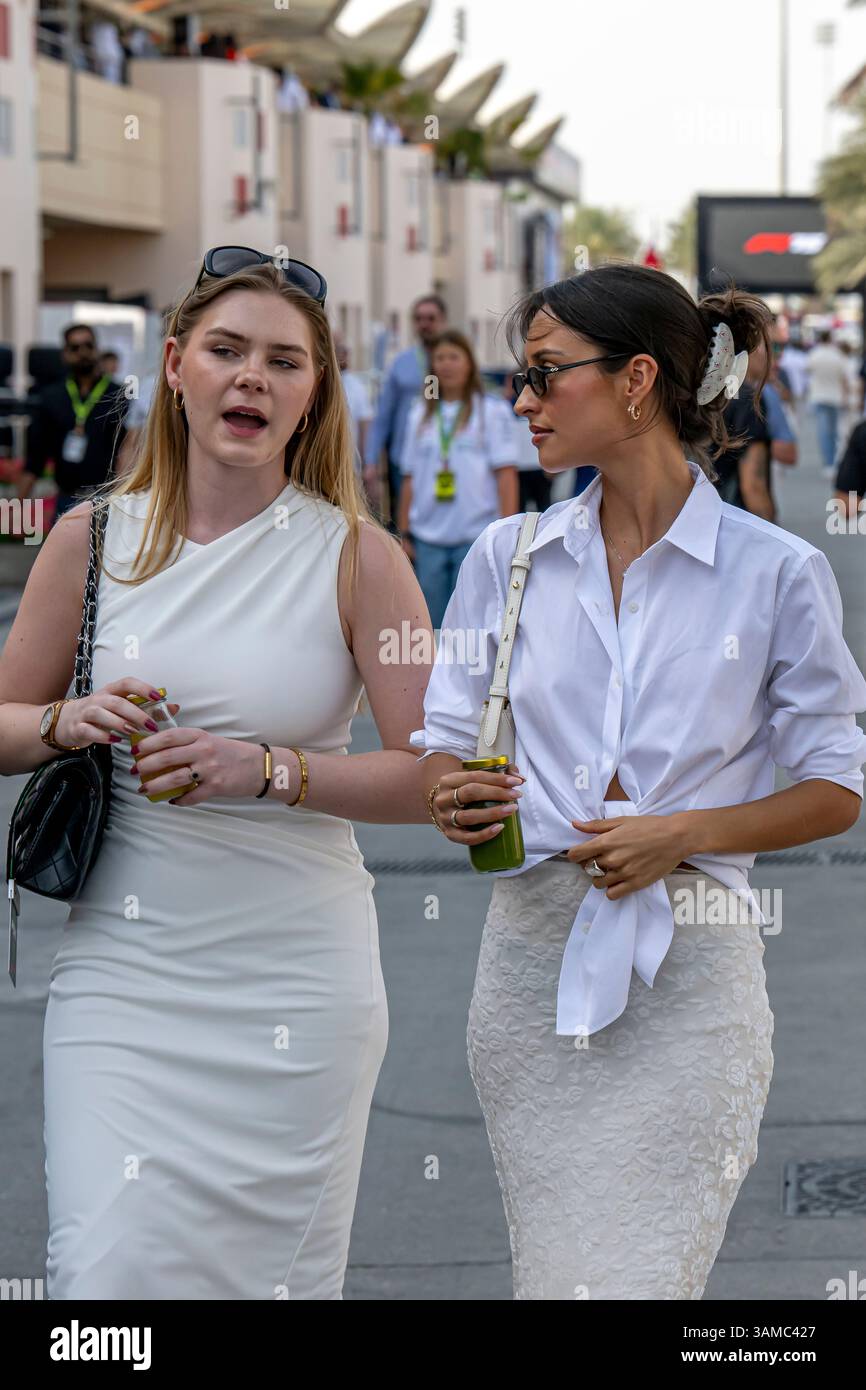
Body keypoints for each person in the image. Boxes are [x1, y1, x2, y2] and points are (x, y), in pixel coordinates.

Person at [409, 263, 866, 1300]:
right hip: (528, 976)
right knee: (557, 1271)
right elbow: (442, 734)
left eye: (541, 373)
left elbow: (835, 785)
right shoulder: (504, 554)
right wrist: (450, 789)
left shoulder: (775, 572)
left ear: (635, 381)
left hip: (693, 983)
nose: (519, 401)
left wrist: (680, 831)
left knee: (636, 1278)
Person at [0, 249, 437, 1299]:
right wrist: (68, 719)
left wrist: (270, 769)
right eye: (227, 350)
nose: (252, 377)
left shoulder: (359, 557)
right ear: (177, 366)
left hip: (297, 977)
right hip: (126, 974)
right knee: (102, 1277)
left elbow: (435, 775)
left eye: (284, 361)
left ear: (313, 394)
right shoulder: (88, 537)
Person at [397, 330, 519, 628]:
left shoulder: (490, 411)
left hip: (476, 536)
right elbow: (409, 476)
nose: (447, 365)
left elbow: (506, 476)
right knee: (434, 627)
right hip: (429, 539)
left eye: (454, 357)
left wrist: (510, 532)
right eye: (440, 358)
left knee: (474, 627)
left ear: (468, 364)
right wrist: (404, 533)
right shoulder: (420, 415)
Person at [18, 323, 128, 522]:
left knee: (103, 554)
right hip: (66, 498)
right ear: (65, 354)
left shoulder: (118, 396)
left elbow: (128, 453)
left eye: (88, 345)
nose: (83, 352)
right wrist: (17, 508)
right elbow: (35, 457)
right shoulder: (51, 397)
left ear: (97, 349)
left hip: (106, 499)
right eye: (75, 348)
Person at [366, 294, 447, 529]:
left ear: (443, 320)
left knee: (441, 525)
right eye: (419, 319)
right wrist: (371, 461)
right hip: (405, 461)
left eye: (431, 318)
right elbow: (383, 416)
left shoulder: (455, 361)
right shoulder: (401, 363)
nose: (425, 324)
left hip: (445, 459)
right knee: (406, 525)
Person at [711, 382, 773, 519]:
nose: (773, 364)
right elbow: (753, 486)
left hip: (698, 510)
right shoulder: (748, 399)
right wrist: (769, 532)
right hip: (735, 514)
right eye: (770, 359)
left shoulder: (703, 391)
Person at [502, 370, 553, 512]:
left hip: (538, 468)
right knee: (520, 509)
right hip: (519, 468)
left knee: (545, 508)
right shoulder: (508, 406)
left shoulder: (533, 403)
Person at [807, 331, 849, 476]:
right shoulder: (837, 355)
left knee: (823, 431)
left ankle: (828, 462)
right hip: (835, 397)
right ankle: (833, 459)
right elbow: (844, 378)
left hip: (819, 396)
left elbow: (808, 370)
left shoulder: (815, 354)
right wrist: (845, 396)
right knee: (833, 431)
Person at [334, 334, 373, 484]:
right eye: (337, 349)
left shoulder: (357, 386)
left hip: (350, 468)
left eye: (344, 350)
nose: (342, 354)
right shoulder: (317, 383)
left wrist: (367, 463)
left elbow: (365, 427)